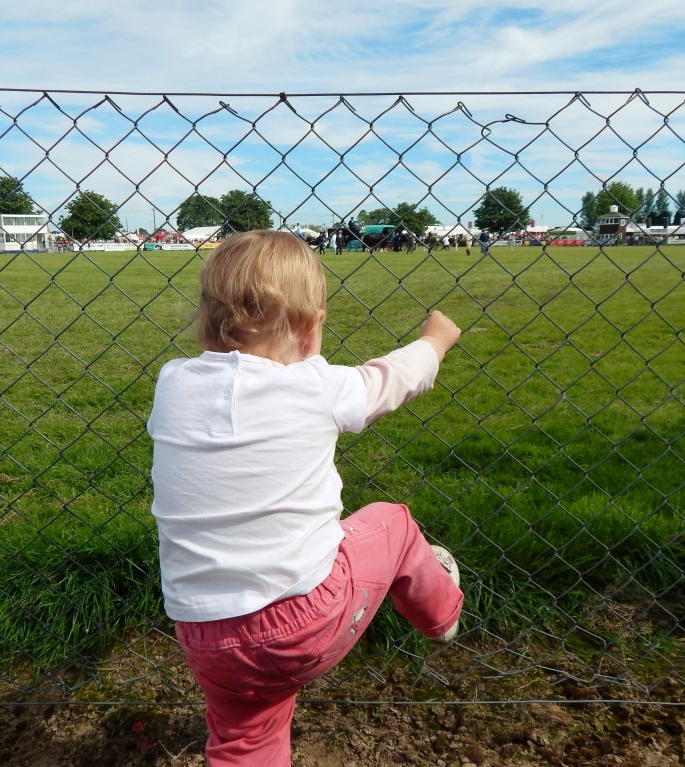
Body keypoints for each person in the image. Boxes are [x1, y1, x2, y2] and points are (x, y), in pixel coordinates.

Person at [147, 230, 464, 766]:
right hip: (306, 618)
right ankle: (443, 616)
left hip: (205, 632)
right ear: (312, 327)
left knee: (245, 737)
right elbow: (394, 378)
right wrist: (436, 339)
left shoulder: (173, 382)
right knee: (391, 522)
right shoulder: (318, 386)